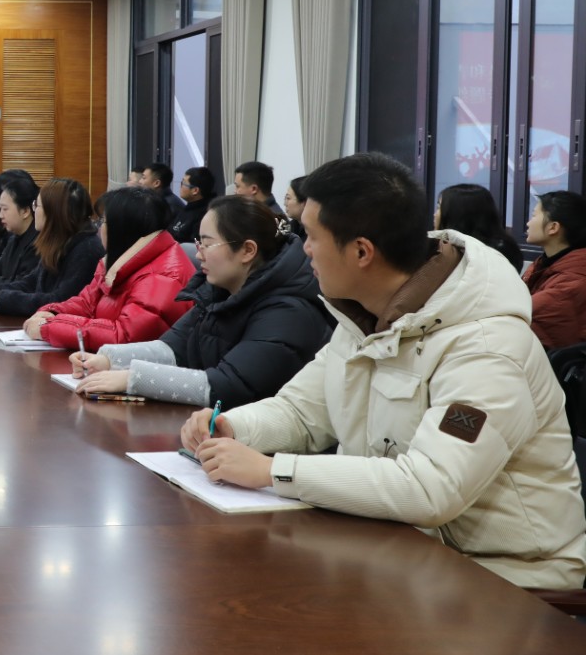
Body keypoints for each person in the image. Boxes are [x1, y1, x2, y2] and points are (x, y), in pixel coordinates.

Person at [183, 153, 586, 589]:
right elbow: (301, 412)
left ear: (361, 251)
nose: (304, 248)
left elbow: (431, 488)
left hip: (508, 579)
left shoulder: (487, 347)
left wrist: (274, 471)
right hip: (398, 551)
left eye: (312, 236)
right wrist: (233, 427)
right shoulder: (364, 316)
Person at [73, 196, 332, 408]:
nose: (198, 254)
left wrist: (132, 378)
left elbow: (228, 386)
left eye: (207, 244)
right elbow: (173, 348)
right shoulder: (219, 290)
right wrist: (108, 360)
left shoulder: (288, 311)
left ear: (247, 251)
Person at [23, 186, 195, 349]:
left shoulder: (164, 276)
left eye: (103, 221)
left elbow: (124, 336)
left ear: (121, 228)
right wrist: (52, 312)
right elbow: (87, 304)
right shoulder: (119, 261)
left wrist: (50, 327)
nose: (99, 229)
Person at [0, 177, 104, 315]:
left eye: (37, 205)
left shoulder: (86, 249)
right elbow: (31, 282)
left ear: (53, 211)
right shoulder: (58, 241)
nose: (34, 211)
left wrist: (4, 300)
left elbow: (61, 301)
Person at [523, 190, 586, 351]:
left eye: (534, 216)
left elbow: (522, 312)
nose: (528, 223)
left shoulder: (574, 279)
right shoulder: (545, 263)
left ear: (553, 227)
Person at [435, 183, 522, 272]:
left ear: (457, 214)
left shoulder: (495, 254)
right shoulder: (449, 247)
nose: (434, 215)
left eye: (438, 208)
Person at [168, 166, 216, 243]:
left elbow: (193, 244)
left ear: (195, 190)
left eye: (183, 183)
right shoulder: (189, 207)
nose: (180, 186)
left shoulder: (205, 214)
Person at [283, 174, 308, 240]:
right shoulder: (290, 228)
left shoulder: (317, 231)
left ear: (304, 202)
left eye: (288, 198)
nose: (285, 204)